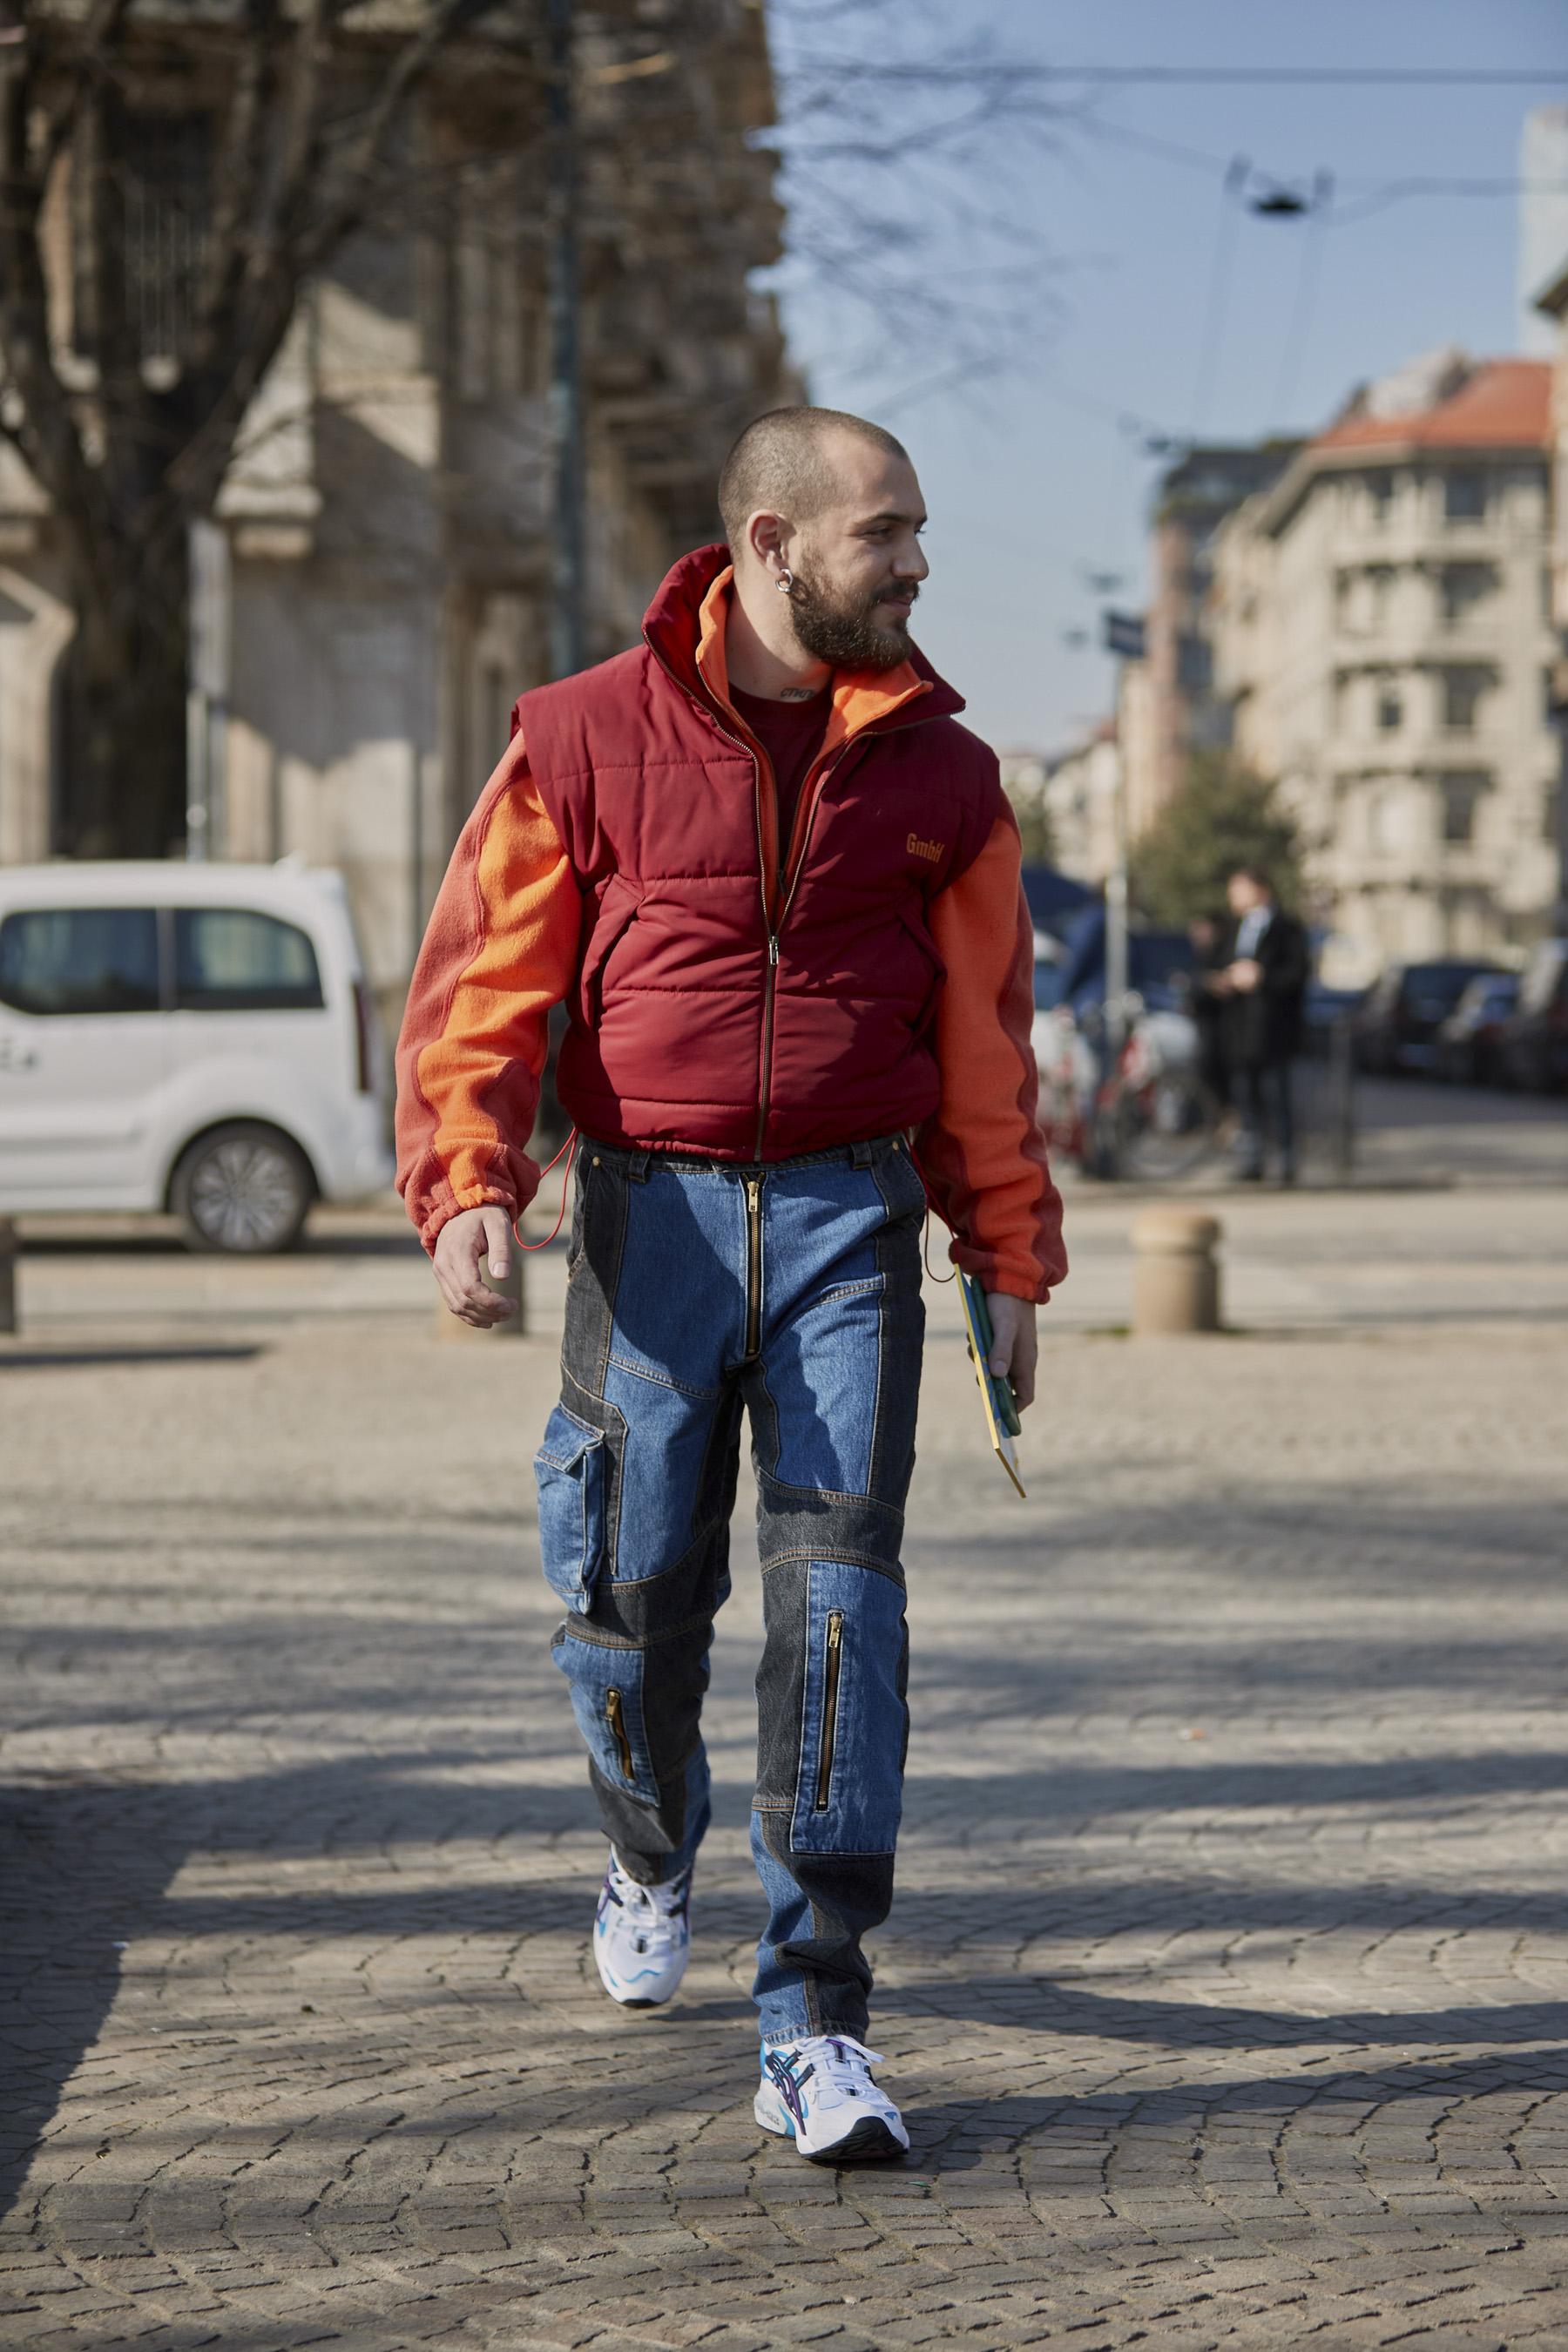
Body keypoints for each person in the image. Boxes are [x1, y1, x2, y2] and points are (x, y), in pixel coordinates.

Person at [395, 406, 1065, 2166]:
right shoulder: (580, 737)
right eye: (887, 533)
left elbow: (983, 1040)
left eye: (918, 533)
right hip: (650, 1227)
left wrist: (1006, 1253)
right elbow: (484, 986)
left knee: (843, 1610)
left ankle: (811, 2018)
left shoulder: (945, 774)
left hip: (852, 1226)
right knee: (628, 1600)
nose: (918, 563)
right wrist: (470, 1183)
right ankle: (647, 1836)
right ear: (770, 543)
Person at [1217, 866, 1308, 1182]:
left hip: (1272, 1029)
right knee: (1246, 1098)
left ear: (1260, 889)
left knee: (1276, 1097)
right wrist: (1224, 981)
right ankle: (1252, 1159)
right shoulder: (1235, 926)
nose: (1232, 896)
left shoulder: (1287, 927)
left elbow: (1298, 974)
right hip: (1240, 1029)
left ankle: (1285, 1159)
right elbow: (1220, 962)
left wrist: (1262, 977)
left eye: (1238, 888)